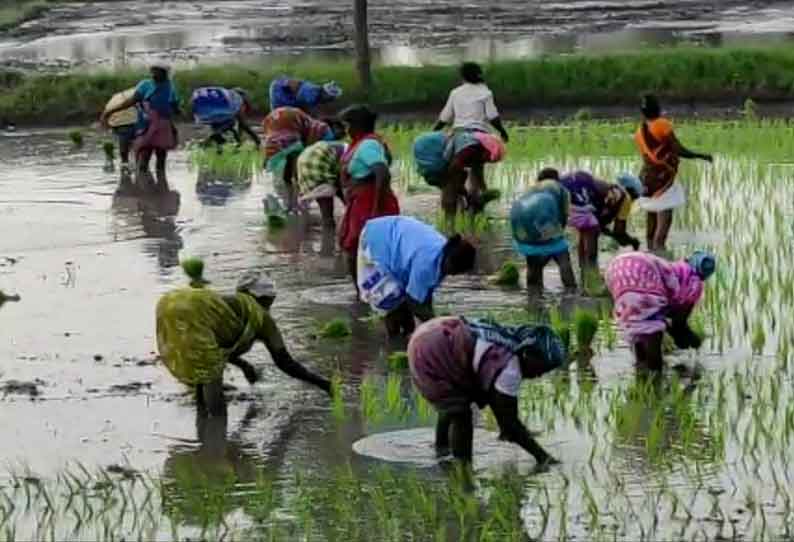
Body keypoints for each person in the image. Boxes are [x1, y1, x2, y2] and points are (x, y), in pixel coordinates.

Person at [156, 267, 332, 417]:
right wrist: (323, 384)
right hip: (194, 309)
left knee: (202, 370)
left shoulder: (233, 304)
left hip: (169, 301)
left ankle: (203, 434)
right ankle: (217, 435)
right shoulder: (261, 316)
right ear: (266, 299)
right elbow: (284, 362)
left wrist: (243, 365)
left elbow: (221, 344)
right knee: (211, 378)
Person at [408, 316, 567, 466]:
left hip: (432, 332)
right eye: (542, 368)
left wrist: (509, 428)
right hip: (431, 349)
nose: (540, 375)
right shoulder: (510, 369)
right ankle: (463, 469)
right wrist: (544, 458)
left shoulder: (508, 342)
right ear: (527, 355)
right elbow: (509, 422)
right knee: (460, 415)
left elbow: (501, 407)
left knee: (451, 403)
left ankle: (441, 450)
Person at [358, 216, 476, 337]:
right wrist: (440, 326)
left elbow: (424, 295)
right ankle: (394, 340)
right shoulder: (426, 264)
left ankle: (402, 339)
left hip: (395, 237)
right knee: (391, 302)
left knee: (406, 316)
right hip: (378, 241)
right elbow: (414, 301)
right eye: (455, 271)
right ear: (450, 262)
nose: (452, 275)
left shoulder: (443, 254)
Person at [606, 250, 716, 371]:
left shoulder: (676, 268)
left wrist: (676, 332)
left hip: (618, 266)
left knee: (638, 323)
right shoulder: (694, 282)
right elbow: (679, 323)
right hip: (642, 269)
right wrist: (691, 339)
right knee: (652, 331)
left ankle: (642, 371)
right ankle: (655, 378)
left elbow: (669, 318)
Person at [635, 95, 713, 251]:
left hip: (646, 179)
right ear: (658, 109)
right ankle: (660, 256)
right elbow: (678, 149)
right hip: (663, 180)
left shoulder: (639, 131)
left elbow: (649, 157)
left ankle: (650, 255)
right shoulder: (662, 125)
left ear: (643, 112)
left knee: (651, 221)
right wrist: (701, 155)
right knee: (664, 220)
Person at [337, 105, 400, 289]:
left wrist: (376, 206)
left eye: (347, 125)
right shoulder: (361, 144)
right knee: (359, 247)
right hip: (361, 201)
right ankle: (368, 291)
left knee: (356, 247)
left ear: (356, 125)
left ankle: (365, 293)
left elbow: (382, 171)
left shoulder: (368, 145)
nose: (345, 130)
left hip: (367, 202)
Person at [433, 62, 509, 213]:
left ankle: (458, 205)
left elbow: (445, 117)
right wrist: (502, 131)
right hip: (479, 139)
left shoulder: (456, 92)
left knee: (452, 174)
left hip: (459, 137)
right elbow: (493, 116)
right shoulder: (485, 92)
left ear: (462, 76)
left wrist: (434, 131)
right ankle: (477, 206)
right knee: (477, 173)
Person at [539, 168, 642, 273]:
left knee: (585, 236)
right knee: (591, 240)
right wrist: (633, 242)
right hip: (574, 197)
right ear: (633, 193)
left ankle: (583, 273)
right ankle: (591, 275)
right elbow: (619, 232)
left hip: (566, 198)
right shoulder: (625, 198)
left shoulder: (607, 190)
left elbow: (600, 223)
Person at [101, 65, 180, 190]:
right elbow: (130, 102)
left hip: (162, 127)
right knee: (144, 158)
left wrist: (173, 110)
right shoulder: (145, 85)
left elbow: (175, 107)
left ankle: (160, 193)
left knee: (160, 160)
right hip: (147, 126)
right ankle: (145, 196)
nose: (155, 74)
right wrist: (109, 112)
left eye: (159, 72)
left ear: (165, 73)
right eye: (154, 71)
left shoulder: (170, 87)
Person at [263, 107, 344, 211]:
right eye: (341, 131)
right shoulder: (324, 131)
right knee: (300, 173)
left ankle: (290, 203)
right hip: (288, 127)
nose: (342, 135)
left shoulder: (310, 127)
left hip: (277, 124)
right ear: (335, 126)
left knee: (288, 173)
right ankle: (299, 204)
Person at [413, 130, 506, 218]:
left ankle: (457, 214)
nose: (487, 161)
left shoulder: (478, 151)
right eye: (489, 159)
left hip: (433, 147)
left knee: (457, 181)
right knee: (449, 186)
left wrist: (484, 193)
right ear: (487, 149)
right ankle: (449, 221)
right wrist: (462, 188)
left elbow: (478, 176)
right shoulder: (471, 148)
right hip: (430, 149)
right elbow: (454, 167)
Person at [510, 179, 576, 291]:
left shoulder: (532, 188)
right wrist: (557, 239)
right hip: (541, 217)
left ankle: (533, 295)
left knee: (532, 262)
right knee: (562, 257)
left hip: (518, 218)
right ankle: (571, 292)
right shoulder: (561, 189)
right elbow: (564, 216)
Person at [295, 139, 347, 227]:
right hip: (317, 165)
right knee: (328, 215)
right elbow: (340, 180)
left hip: (304, 162)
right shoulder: (349, 153)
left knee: (325, 211)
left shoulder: (341, 147)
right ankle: (328, 238)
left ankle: (327, 235)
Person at [191, 86, 260, 148]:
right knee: (229, 124)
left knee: (219, 129)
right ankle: (212, 142)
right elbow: (244, 125)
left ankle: (209, 145)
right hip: (221, 116)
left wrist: (239, 140)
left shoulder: (223, 100)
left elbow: (240, 127)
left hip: (208, 113)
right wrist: (257, 141)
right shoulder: (236, 101)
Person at [102, 87, 138, 176]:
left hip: (120, 124)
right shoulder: (135, 95)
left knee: (125, 144)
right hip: (128, 123)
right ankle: (127, 164)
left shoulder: (115, 101)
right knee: (128, 145)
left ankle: (125, 164)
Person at [269, 77, 342, 113]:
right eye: (331, 98)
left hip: (283, 86)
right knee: (280, 113)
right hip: (279, 89)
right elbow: (308, 111)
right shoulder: (311, 96)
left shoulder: (316, 92)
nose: (330, 101)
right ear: (326, 94)